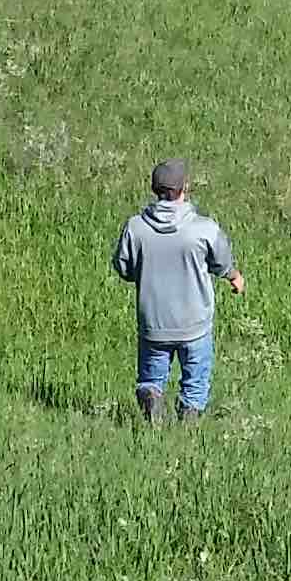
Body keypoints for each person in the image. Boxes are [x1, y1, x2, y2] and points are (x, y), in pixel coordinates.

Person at [114, 157, 243, 425]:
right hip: (195, 324)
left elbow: (123, 268)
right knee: (195, 382)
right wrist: (234, 277)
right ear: (185, 187)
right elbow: (222, 263)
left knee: (151, 377)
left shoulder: (135, 228)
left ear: (154, 189)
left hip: (154, 323)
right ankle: (189, 422)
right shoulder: (204, 228)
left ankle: (151, 396)